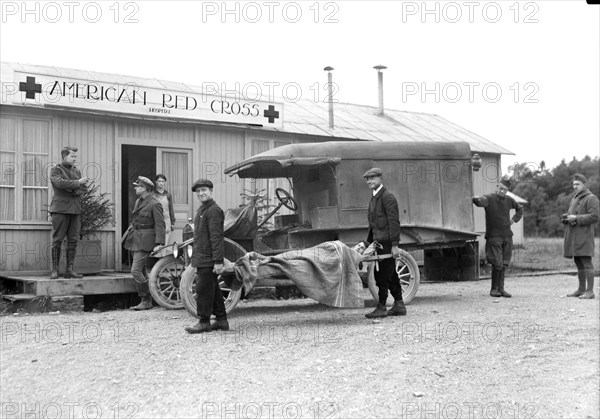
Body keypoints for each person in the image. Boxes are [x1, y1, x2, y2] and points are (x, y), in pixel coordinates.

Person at [185, 178, 227, 334]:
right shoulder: (203, 210)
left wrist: (218, 261)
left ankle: (204, 322)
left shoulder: (214, 210)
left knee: (203, 289)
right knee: (213, 288)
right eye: (198, 191)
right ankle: (222, 320)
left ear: (211, 191)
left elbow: (217, 238)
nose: (201, 193)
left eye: (204, 190)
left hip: (208, 258)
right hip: (202, 257)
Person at [362, 167, 406, 318]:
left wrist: (394, 245)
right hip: (378, 241)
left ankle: (381, 307)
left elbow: (394, 222)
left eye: (372, 178)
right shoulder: (374, 198)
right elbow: (373, 225)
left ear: (380, 179)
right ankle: (399, 305)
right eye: (367, 179)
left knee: (381, 275)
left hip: (387, 242)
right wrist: (366, 243)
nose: (369, 181)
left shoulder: (388, 197)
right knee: (391, 273)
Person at [472, 178, 523, 298]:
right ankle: (493, 289)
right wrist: (475, 198)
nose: (502, 191)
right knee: (497, 264)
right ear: (497, 187)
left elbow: (520, 208)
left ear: (507, 190)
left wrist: (513, 220)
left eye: (505, 189)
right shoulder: (489, 198)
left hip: (507, 236)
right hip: (494, 237)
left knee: (504, 264)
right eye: (500, 188)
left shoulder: (509, 200)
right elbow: (480, 201)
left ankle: (501, 289)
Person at [123, 176, 166, 310]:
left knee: (135, 271)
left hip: (146, 240)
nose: (135, 188)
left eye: (137, 186)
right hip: (136, 238)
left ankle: (146, 299)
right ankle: (147, 300)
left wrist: (159, 242)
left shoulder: (155, 203)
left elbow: (160, 225)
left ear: (145, 188)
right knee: (141, 270)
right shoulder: (138, 201)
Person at [49, 146, 90, 279]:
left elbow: (83, 189)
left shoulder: (76, 171)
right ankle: (55, 271)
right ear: (64, 156)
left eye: (75, 156)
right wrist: (76, 183)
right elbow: (59, 184)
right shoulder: (56, 170)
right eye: (72, 156)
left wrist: (72, 186)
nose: (74, 158)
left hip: (75, 209)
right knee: (57, 240)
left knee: (73, 240)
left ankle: (69, 270)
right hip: (60, 209)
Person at [563, 173, 599, 299]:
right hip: (574, 236)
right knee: (578, 261)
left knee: (586, 262)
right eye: (573, 184)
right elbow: (571, 213)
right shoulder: (574, 198)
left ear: (584, 185)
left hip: (584, 236)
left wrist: (577, 218)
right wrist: (567, 218)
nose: (575, 186)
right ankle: (581, 289)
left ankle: (590, 291)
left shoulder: (591, 198)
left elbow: (595, 216)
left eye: (577, 184)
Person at [148, 174, 176, 263]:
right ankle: (154, 265)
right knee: (156, 245)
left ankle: (162, 264)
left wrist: (172, 222)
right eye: (159, 181)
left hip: (166, 221)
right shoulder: (152, 195)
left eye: (163, 181)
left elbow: (171, 208)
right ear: (155, 182)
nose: (161, 183)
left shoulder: (168, 195)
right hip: (155, 222)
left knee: (165, 244)